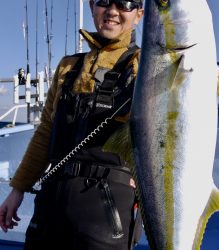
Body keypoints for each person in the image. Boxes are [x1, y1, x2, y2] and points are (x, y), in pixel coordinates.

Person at [0, 0, 144, 249]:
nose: (111, 10)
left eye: (125, 3)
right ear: (92, 7)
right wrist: (18, 189)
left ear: (139, 15)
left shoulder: (145, 65)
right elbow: (46, 130)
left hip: (108, 210)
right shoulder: (68, 66)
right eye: (103, 2)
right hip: (52, 202)